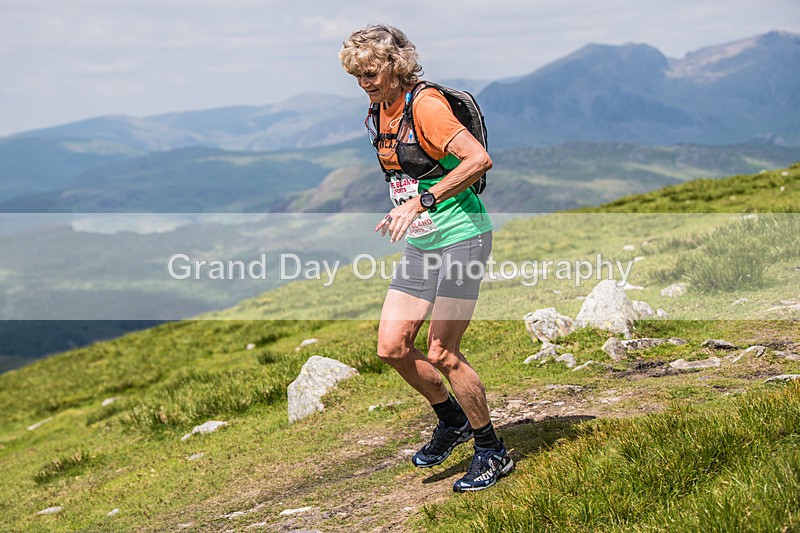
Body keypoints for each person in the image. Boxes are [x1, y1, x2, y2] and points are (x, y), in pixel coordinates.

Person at [339, 24, 513, 492]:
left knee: (443, 352)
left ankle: (492, 450)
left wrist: (423, 201)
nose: (365, 83)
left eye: (372, 73)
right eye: (357, 77)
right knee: (392, 346)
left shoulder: (428, 105)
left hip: (462, 237)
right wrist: (408, 204)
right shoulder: (380, 109)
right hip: (424, 241)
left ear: (396, 66)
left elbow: (478, 160)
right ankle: (452, 421)